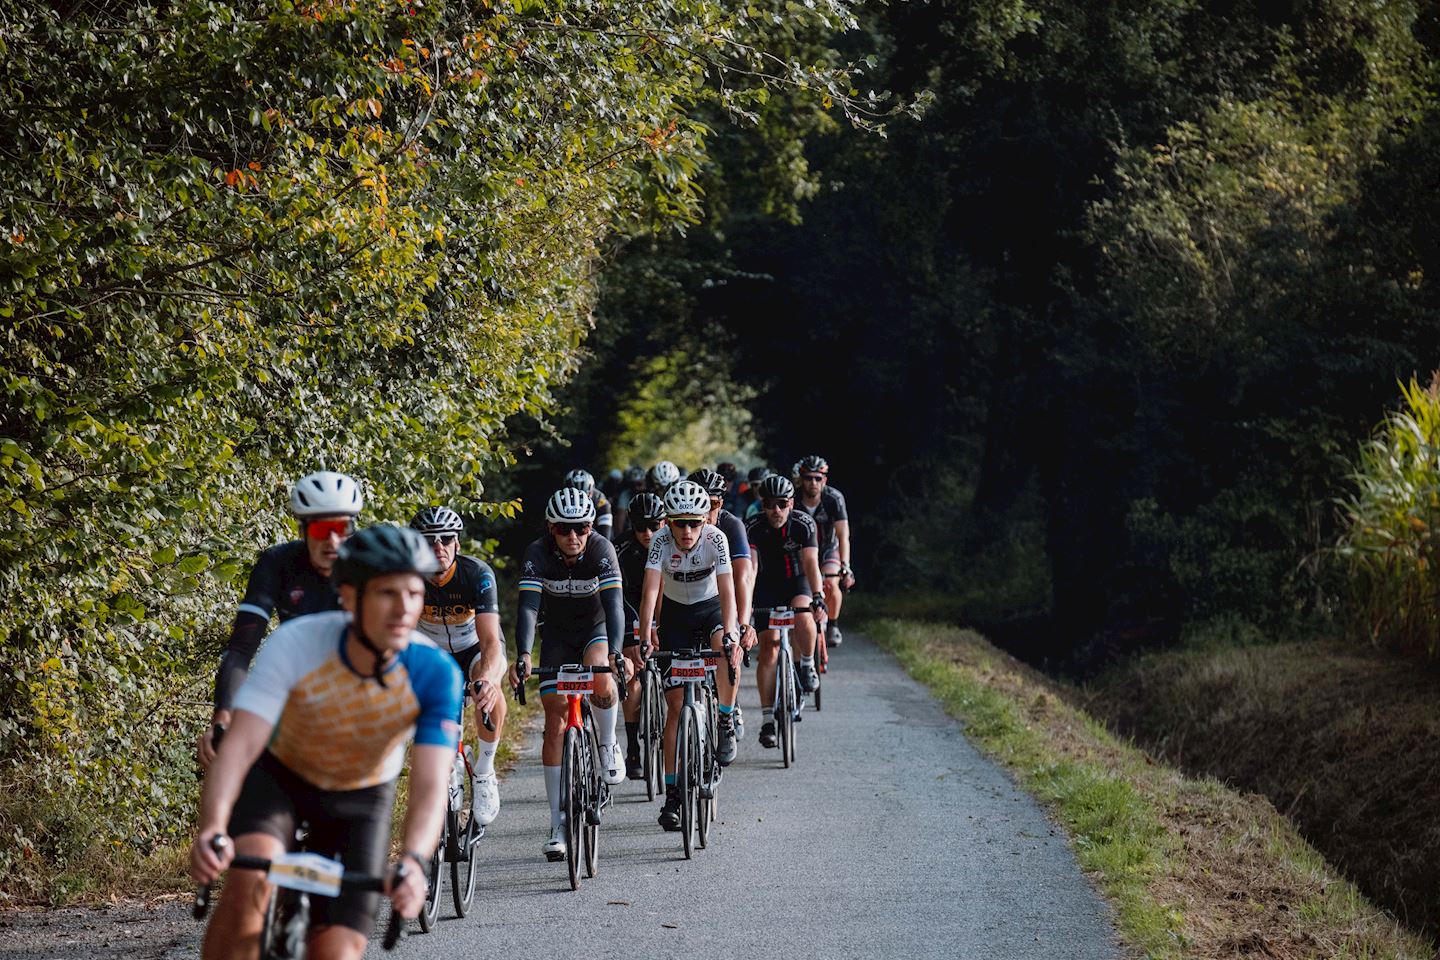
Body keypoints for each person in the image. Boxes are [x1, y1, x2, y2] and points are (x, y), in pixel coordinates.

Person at [188, 525, 462, 960]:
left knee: (336, 954)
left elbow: (430, 784)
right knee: (248, 886)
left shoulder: (436, 673)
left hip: (361, 799)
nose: (404, 609)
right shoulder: (297, 644)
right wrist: (213, 829)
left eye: (413, 593)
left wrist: (414, 861)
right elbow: (239, 747)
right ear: (350, 597)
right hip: (280, 782)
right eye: (387, 594)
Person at [198, 471, 364, 768]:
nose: (333, 540)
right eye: (320, 530)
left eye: (342, 527)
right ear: (302, 529)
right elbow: (240, 649)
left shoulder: (372, 565)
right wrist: (223, 716)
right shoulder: (278, 564)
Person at [510, 488, 628, 860]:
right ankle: (557, 821)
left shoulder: (601, 550)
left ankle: (607, 742)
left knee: (601, 681)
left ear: (591, 527)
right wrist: (525, 654)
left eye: (582, 528)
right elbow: (528, 609)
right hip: (558, 637)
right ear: (550, 528)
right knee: (555, 718)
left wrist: (616, 652)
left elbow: (613, 606)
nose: (574, 537)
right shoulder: (536, 553)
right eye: (564, 529)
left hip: (594, 629)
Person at [636, 480, 742, 831]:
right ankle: (672, 795)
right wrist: (646, 631)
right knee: (676, 709)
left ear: (704, 521)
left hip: (710, 609)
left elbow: (727, 592)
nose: (686, 530)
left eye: (694, 522)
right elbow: (650, 590)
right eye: (679, 522)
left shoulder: (717, 539)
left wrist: (731, 633)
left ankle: (724, 718)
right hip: (677, 616)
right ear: (667, 522)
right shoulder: (659, 542)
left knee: (726, 654)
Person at [409, 506, 507, 826]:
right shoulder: (408, 578)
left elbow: (491, 641)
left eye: (446, 539)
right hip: (434, 653)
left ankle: (485, 771)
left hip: (475, 647)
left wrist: (488, 680)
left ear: (457, 543)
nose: (438, 546)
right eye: (429, 540)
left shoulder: (477, 575)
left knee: (487, 690)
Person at [745, 474, 826, 749]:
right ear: (763, 505)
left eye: (782, 504)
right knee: (769, 648)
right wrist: (745, 608)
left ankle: (806, 664)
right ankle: (768, 719)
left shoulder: (803, 523)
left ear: (791, 503)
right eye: (769, 504)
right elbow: (751, 569)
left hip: (797, 581)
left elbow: (811, 562)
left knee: (803, 617)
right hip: (766, 586)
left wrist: (817, 597)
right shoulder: (753, 526)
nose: (776, 511)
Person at [690, 467, 756, 740]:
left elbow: (743, 576)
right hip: (689, 600)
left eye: (713, 504)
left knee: (728, 651)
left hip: (722, 599)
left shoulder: (731, 525)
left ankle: (728, 710)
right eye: (699, 504)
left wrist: (743, 623)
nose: (706, 513)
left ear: (722, 504)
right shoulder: (682, 526)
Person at [615, 491, 667, 776]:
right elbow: (615, 597)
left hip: (665, 607)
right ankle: (633, 746)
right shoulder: (620, 548)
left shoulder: (674, 542)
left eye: (653, 526)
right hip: (629, 609)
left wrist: (659, 625)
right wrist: (636, 633)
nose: (647, 533)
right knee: (632, 672)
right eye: (640, 527)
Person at [792, 455, 854, 646]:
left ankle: (833, 625)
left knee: (831, 583)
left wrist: (846, 566)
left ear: (824, 480)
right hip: (800, 551)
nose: (813, 483)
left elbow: (843, 535)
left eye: (818, 478)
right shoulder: (792, 499)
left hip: (828, 549)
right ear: (801, 480)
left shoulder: (834, 498)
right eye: (809, 478)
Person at [565, 468, 614, 539]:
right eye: (574, 496)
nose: (580, 501)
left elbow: (605, 536)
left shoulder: (601, 502)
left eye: (585, 495)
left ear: (592, 492)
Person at [612, 465, 647, 537]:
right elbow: (621, 515)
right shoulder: (625, 494)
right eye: (633, 485)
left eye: (639, 484)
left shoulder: (651, 493)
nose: (636, 488)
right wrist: (619, 537)